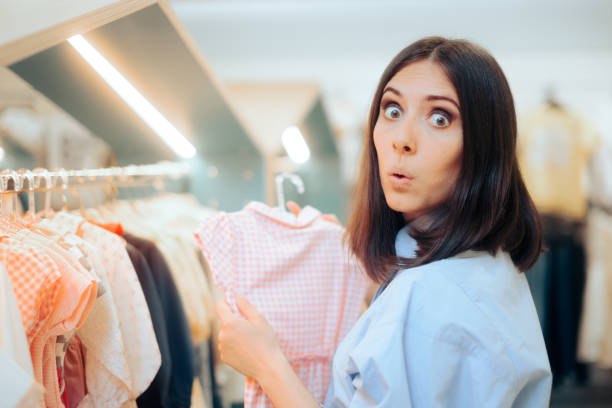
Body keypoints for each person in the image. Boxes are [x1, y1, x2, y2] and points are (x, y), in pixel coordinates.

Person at [214, 36, 552, 407]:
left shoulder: (427, 297)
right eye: (392, 110)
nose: (402, 140)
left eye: (440, 118)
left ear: (484, 147)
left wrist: (266, 365)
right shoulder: (484, 266)